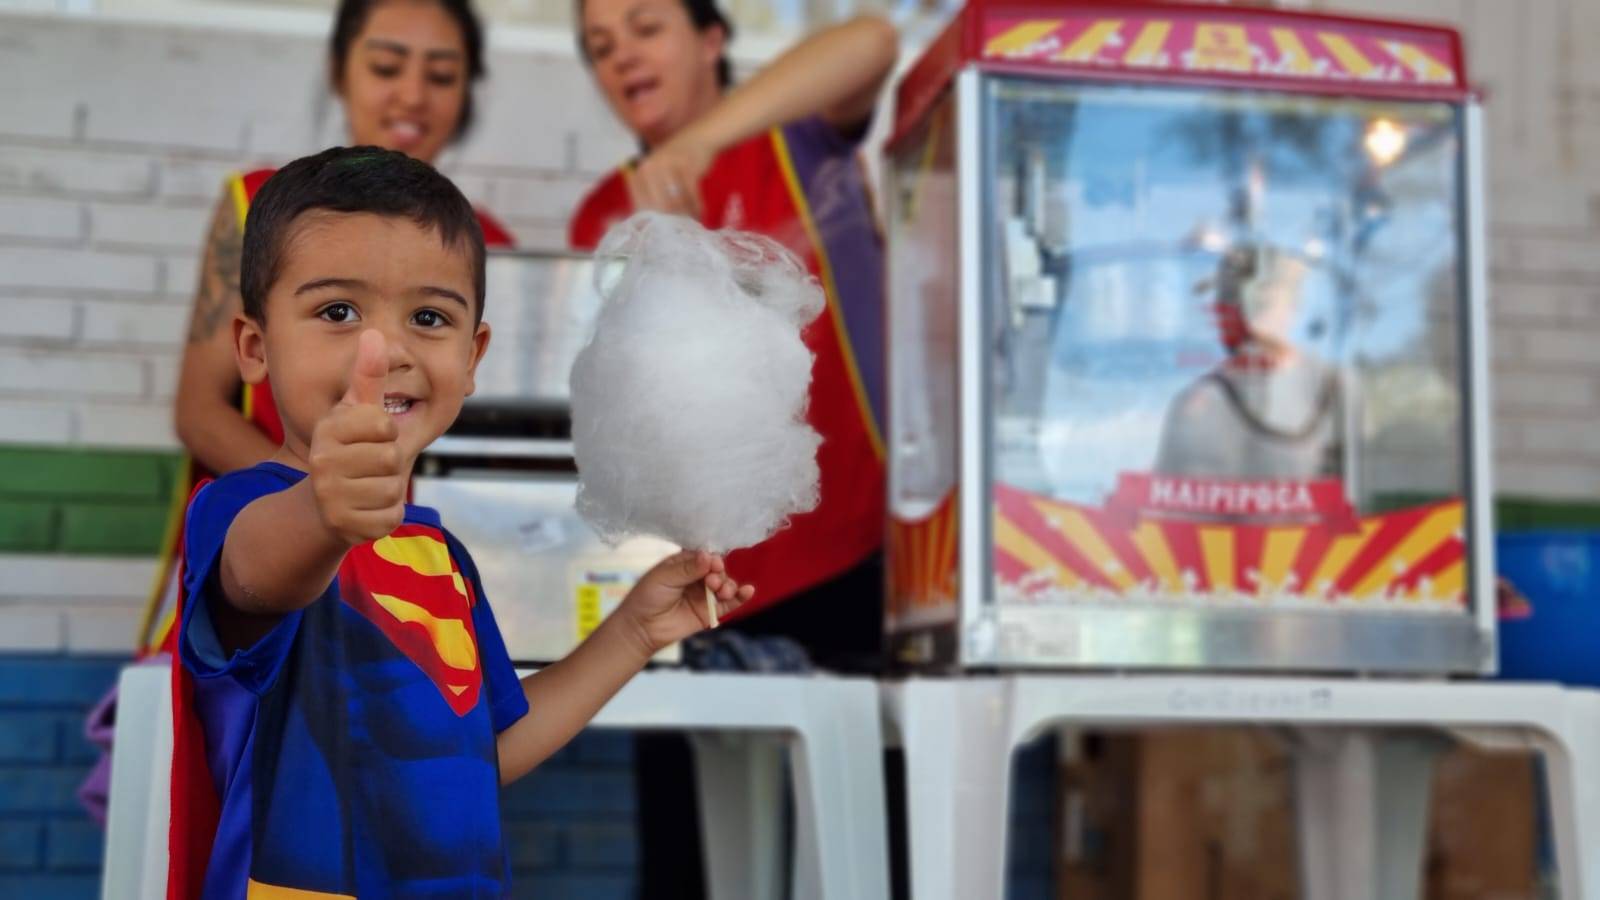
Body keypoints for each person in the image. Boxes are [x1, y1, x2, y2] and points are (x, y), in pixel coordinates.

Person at [173, 146, 752, 898]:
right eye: (337, 311)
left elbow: (489, 749)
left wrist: (632, 634)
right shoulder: (242, 509)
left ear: (473, 355)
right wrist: (325, 506)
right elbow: (257, 577)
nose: (387, 350)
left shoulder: (439, 554)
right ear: (254, 347)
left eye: (428, 316)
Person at [141, 0, 514, 655]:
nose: (412, 94)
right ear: (341, 72)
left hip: (389, 591)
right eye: (386, 66)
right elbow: (200, 411)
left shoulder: (481, 242)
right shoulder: (256, 205)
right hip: (256, 563)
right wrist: (324, 506)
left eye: (441, 75)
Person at [570, 0, 897, 671]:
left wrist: (701, 142)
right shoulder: (603, 216)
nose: (622, 55)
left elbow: (875, 40)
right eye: (601, 46)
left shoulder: (797, 137)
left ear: (711, 39)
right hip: (679, 589)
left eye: (647, 27)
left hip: (843, 558)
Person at [1156, 243, 1347, 481]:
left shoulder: (1335, 390)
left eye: (1263, 300)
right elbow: (1161, 502)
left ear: (1295, 304)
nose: (1246, 316)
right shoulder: (1192, 403)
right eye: (1232, 300)